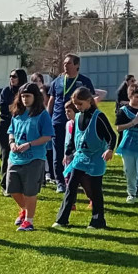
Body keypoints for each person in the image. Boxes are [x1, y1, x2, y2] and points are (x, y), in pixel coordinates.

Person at [54, 88, 116, 229]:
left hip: (96, 158)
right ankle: (62, 219)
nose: (77, 107)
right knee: (71, 187)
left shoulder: (99, 117)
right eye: (75, 104)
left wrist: (110, 150)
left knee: (95, 190)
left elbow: (111, 136)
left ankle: (98, 221)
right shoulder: (77, 117)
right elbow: (74, 138)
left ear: (89, 101)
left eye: (80, 104)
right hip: (80, 157)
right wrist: (68, 153)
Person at [6, 83, 54, 231]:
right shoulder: (17, 113)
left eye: (28, 96)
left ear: (35, 97)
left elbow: (47, 136)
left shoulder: (42, 114)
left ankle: (29, 221)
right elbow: (11, 131)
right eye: (23, 96)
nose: (25, 99)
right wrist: (12, 142)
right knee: (12, 189)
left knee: (29, 191)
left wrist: (29, 144)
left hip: (34, 158)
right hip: (15, 157)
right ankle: (24, 210)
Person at [46, 55, 96, 193]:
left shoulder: (84, 81)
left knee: (76, 152)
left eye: (68, 63)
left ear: (77, 65)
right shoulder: (57, 81)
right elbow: (51, 100)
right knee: (58, 152)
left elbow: (91, 101)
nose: (65, 66)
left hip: (78, 122)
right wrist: (48, 118)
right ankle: (60, 182)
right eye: (64, 63)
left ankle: (75, 179)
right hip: (58, 121)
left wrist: (90, 119)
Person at [0, 69, 28, 195]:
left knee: (20, 155)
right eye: (10, 76)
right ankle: (5, 185)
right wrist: (16, 109)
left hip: (22, 126)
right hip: (5, 125)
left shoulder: (25, 91)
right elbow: (3, 107)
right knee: (6, 154)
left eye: (14, 76)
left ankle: (20, 184)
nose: (12, 78)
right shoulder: (6, 91)